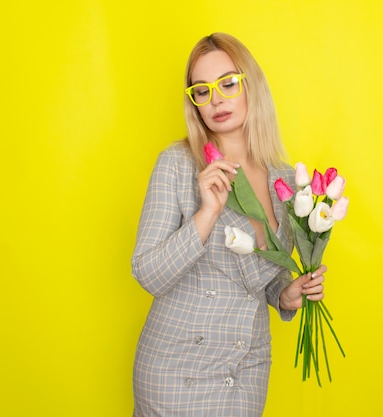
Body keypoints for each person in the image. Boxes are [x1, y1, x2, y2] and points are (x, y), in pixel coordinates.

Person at [131, 32, 327, 417]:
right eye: (201, 91)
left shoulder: (284, 180)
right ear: (195, 105)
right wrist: (207, 214)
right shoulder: (177, 164)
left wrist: (285, 295)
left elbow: (257, 275)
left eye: (228, 83)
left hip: (245, 367)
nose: (216, 98)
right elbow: (147, 273)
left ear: (250, 84)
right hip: (176, 369)